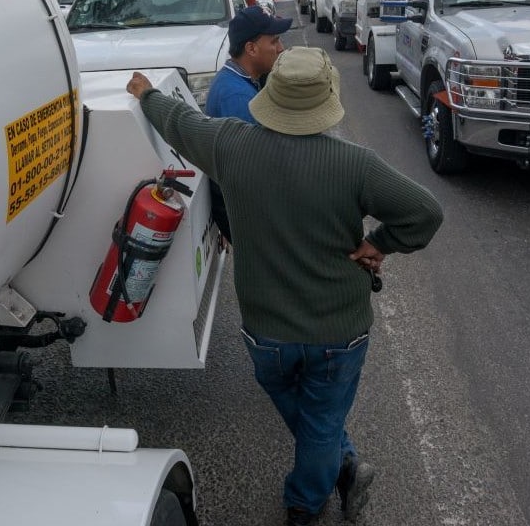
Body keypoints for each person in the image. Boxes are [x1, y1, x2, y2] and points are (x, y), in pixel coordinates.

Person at [126, 48, 444, 525]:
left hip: (266, 329)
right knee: (322, 420)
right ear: (327, 100)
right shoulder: (356, 164)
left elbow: (180, 123)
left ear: (271, 95)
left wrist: (147, 94)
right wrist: (379, 243)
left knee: (308, 414)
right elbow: (425, 212)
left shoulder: (231, 145)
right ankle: (309, 502)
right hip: (339, 329)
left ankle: (330, 477)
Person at [204, 4, 292, 242]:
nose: (281, 48)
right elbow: (254, 175)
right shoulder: (238, 99)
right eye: (274, 42)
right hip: (249, 220)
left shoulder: (238, 79)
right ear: (251, 48)